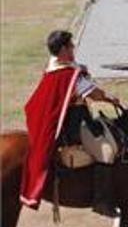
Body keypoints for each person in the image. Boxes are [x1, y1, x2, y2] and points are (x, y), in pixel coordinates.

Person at [21, 30, 121, 217]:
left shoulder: (55, 68)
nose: (74, 48)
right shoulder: (68, 74)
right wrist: (110, 99)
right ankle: (102, 201)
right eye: (71, 46)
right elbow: (93, 94)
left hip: (72, 118)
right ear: (63, 50)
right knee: (106, 151)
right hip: (75, 123)